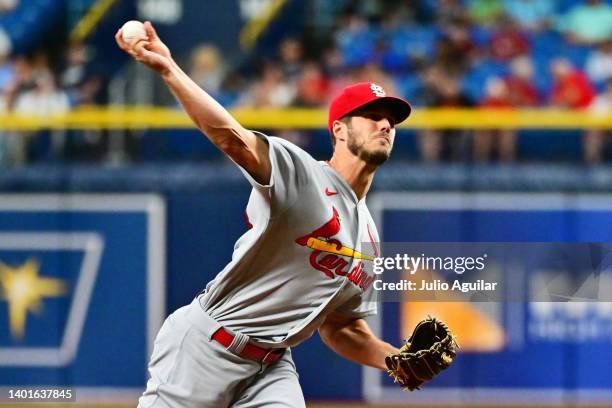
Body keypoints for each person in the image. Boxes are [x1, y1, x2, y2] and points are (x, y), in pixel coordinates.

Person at [115, 22, 412, 407]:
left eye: (391, 119)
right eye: (371, 115)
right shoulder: (304, 176)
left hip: (271, 367)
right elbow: (232, 138)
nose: (385, 124)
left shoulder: (369, 239)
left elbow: (341, 327)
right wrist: (170, 69)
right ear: (339, 130)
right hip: (207, 347)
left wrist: (396, 360)